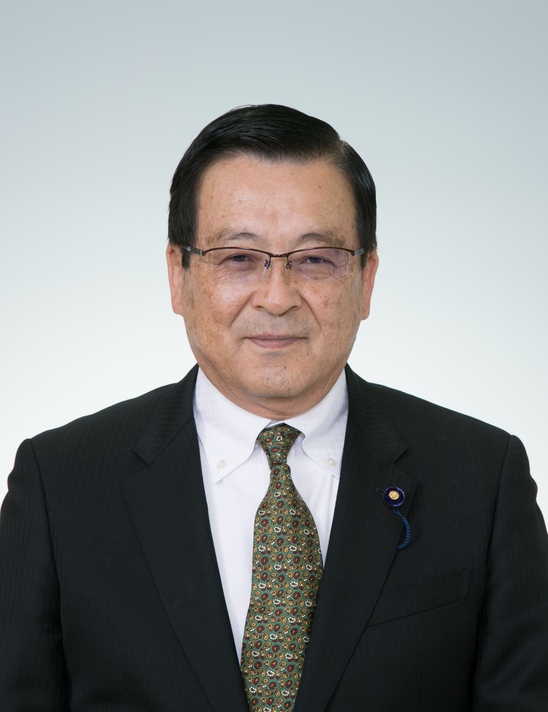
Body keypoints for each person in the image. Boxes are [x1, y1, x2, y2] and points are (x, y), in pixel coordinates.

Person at [1, 104, 547, 712]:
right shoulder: (60, 486)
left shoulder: (481, 478)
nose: (278, 297)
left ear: (366, 278)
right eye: (238, 257)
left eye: (315, 259)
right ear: (178, 275)